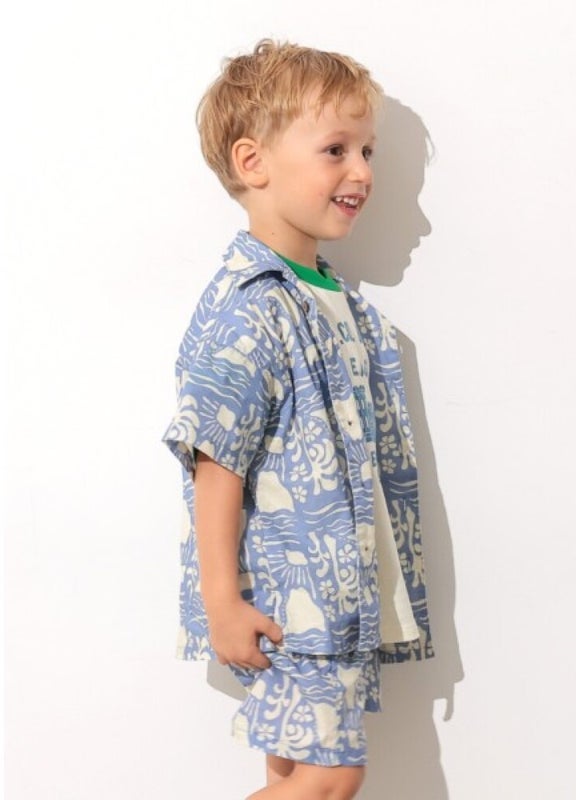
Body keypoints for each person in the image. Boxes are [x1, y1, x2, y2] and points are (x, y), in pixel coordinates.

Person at [162, 38, 433, 800]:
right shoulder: (254, 306)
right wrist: (223, 600)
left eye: (368, 151)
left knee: (292, 773)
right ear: (253, 163)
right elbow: (214, 456)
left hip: (333, 601)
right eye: (336, 149)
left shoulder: (334, 301)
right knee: (330, 778)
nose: (363, 172)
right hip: (292, 603)